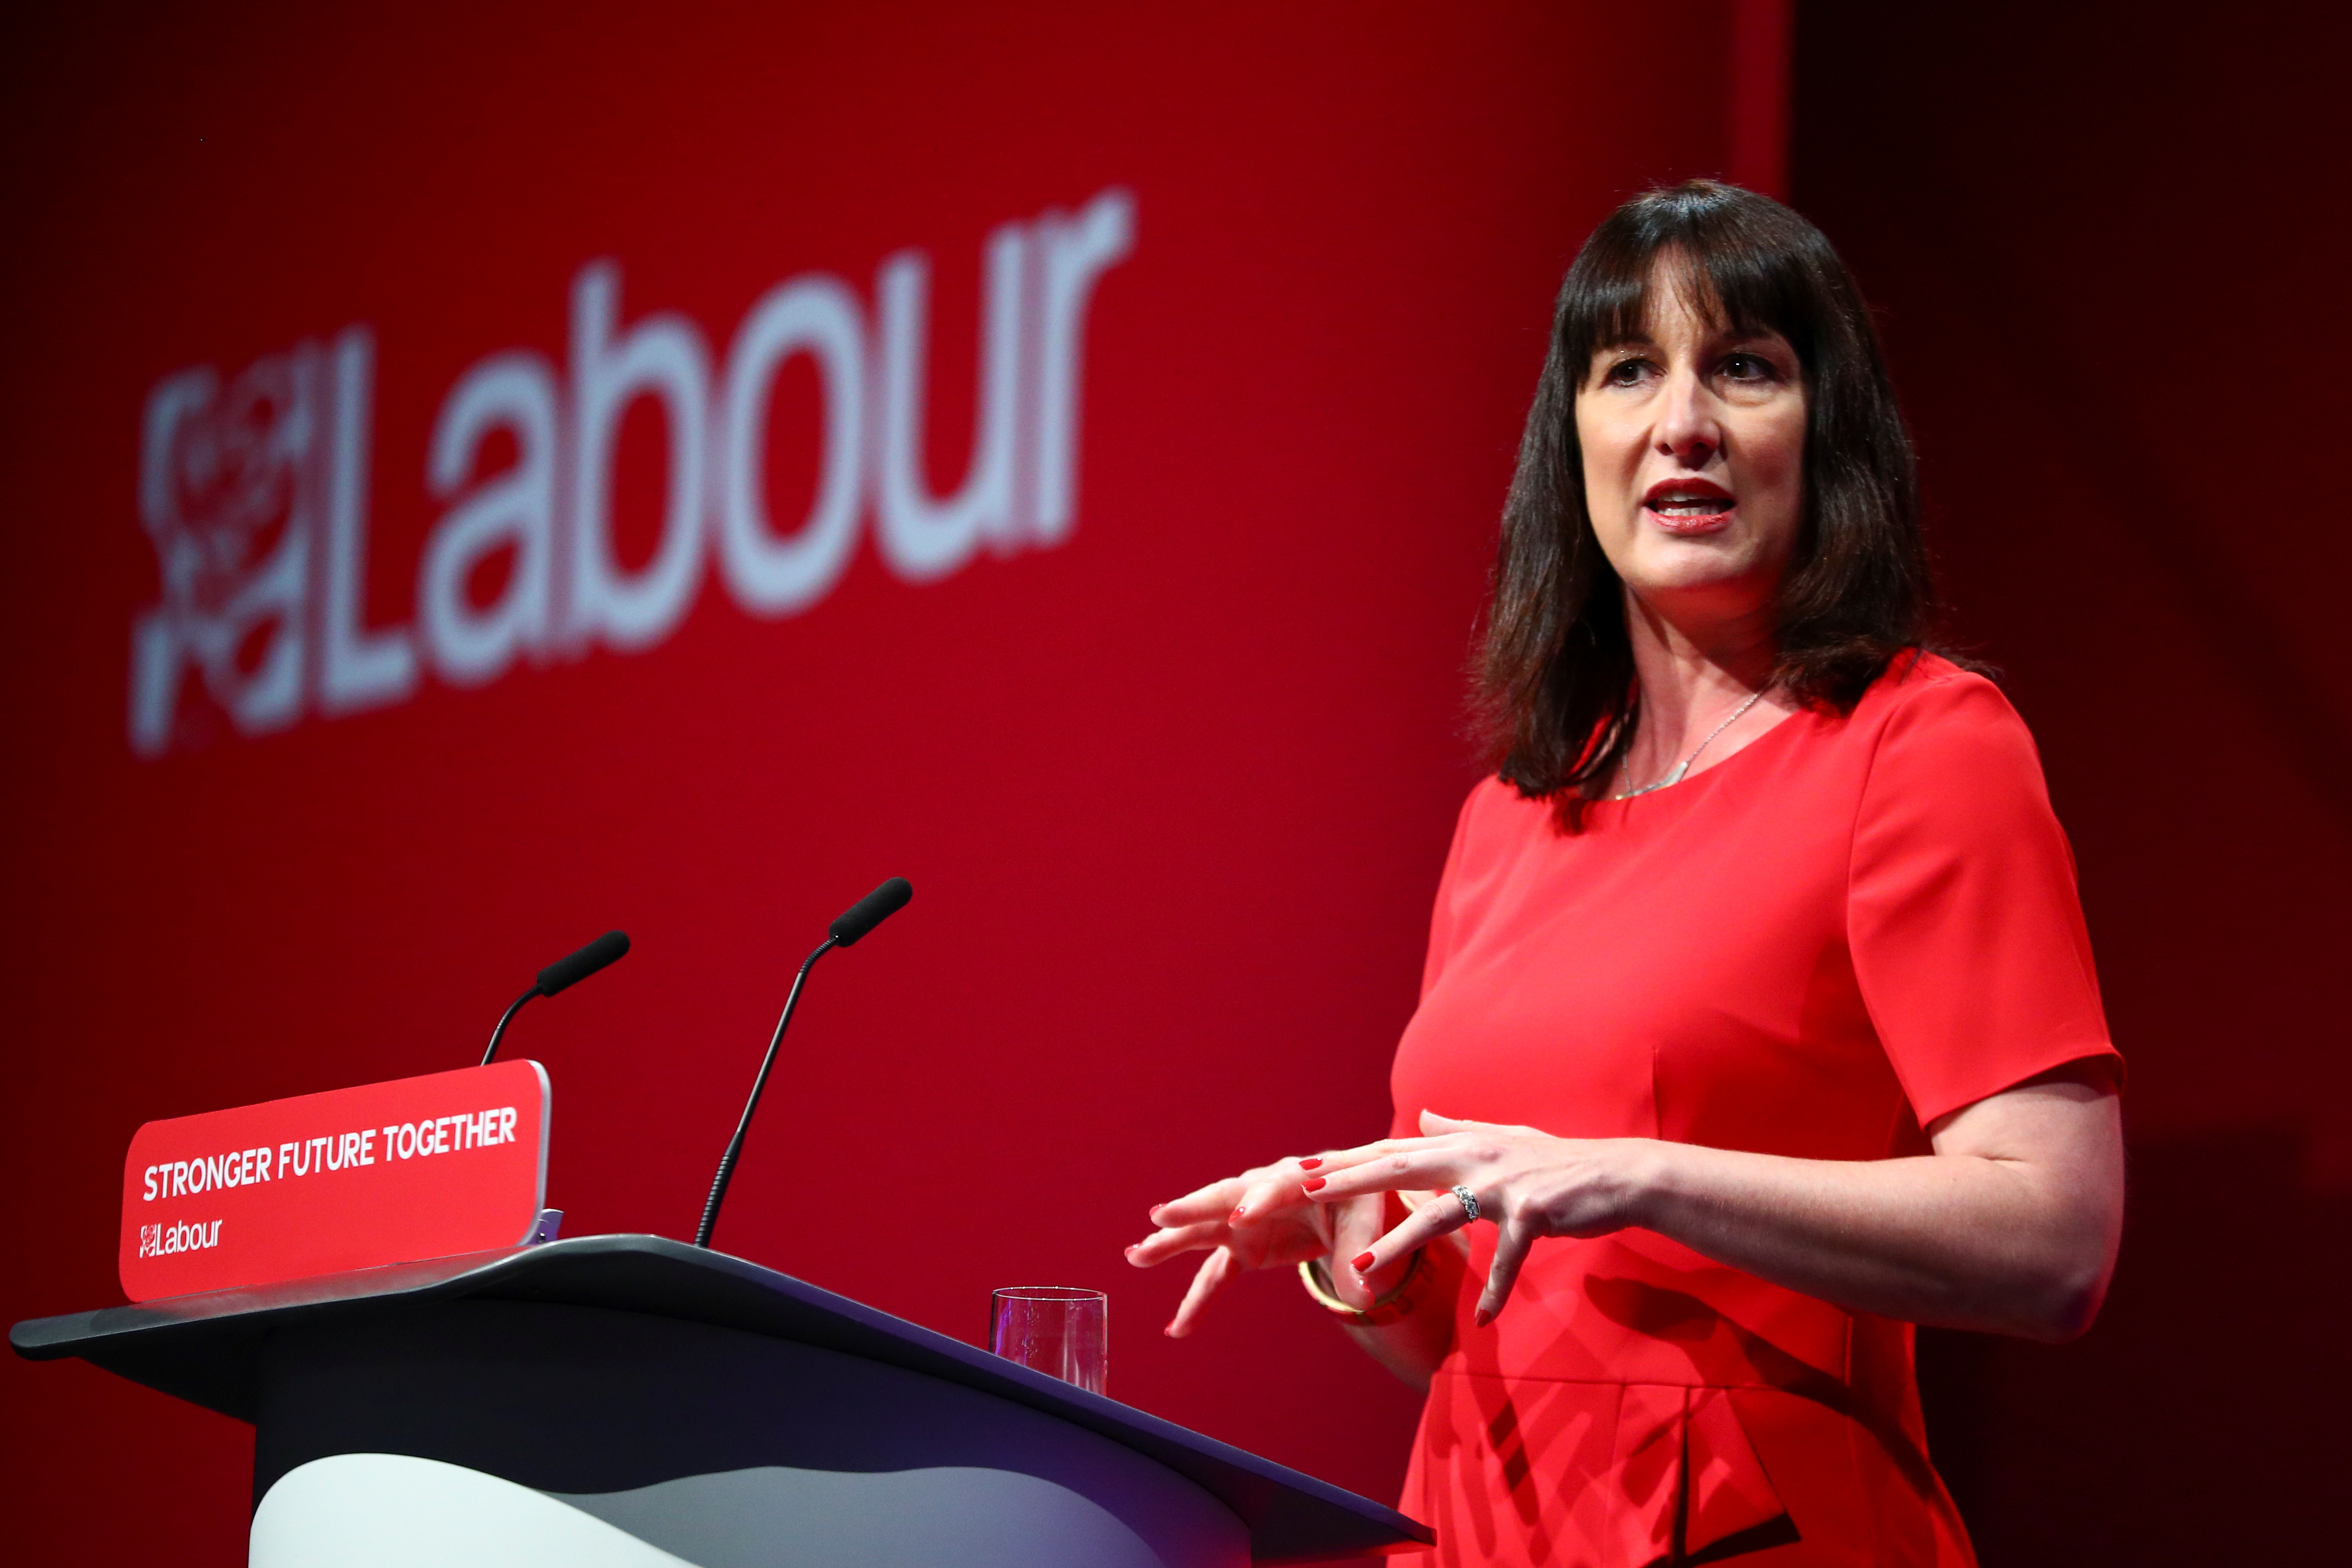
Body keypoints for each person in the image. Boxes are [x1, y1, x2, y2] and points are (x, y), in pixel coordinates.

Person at [1126, 180, 2124, 1567]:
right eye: (1630, 371)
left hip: (1758, 1529)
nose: (1684, 424)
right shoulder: (1508, 816)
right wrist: (1354, 1244)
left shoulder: (1920, 741)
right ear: (1574, 438)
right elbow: (1491, 1353)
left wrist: (1637, 1173)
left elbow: (2054, 1238)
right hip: (1478, 1524)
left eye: (1746, 369)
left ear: (1825, 433)